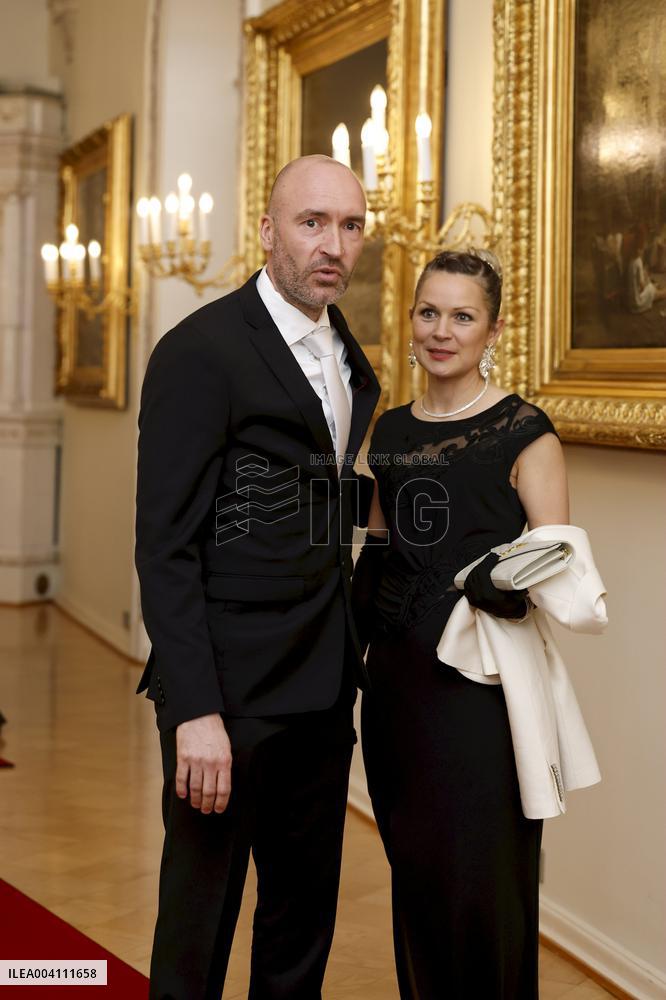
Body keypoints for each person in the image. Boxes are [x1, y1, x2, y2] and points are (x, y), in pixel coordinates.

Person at [135, 154, 380, 1000]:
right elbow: (164, 546)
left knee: (300, 923)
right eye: (313, 222)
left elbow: (304, 497)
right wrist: (194, 711)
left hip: (321, 690)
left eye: (351, 225)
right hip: (227, 698)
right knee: (198, 925)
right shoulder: (200, 350)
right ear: (269, 230)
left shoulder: (349, 354)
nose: (333, 244)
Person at [353, 248, 569, 999]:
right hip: (395, 697)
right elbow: (375, 565)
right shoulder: (388, 432)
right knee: (417, 885)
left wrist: (493, 583)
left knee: (485, 894)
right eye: (429, 312)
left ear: (493, 328)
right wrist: (337, 667)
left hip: (483, 700)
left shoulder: (525, 432)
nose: (442, 330)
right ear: (412, 319)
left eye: (462, 316)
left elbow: (554, 569)